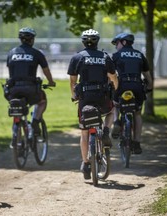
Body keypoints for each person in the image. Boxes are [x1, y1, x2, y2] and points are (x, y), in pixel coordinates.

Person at [67, 29, 118, 180]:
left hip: (85, 98)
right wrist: (115, 89)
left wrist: (74, 95)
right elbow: (113, 77)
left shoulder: (77, 57)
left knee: (84, 131)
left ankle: (86, 163)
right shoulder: (105, 57)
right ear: (97, 41)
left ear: (83, 42)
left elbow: (73, 81)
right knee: (110, 111)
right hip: (102, 96)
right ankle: (107, 130)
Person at [5, 27, 56, 134]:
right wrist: (51, 82)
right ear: (32, 39)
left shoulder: (11, 53)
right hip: (31, 89)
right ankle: (36, 121)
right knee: (42, 101)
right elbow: (46, 70)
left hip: (13, 90)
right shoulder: (36, 53)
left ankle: (16, 134)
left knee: (17, 107)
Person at [111, 32, 153, 154]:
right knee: (138, 113)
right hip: (137, 86)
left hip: (122, 85)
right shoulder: (140, 55)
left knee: (115, 103)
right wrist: (150, 86)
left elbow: (110, 74)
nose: (116, 46)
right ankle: (137, 143)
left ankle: (117, 121)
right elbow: (147, 76)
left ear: (123, 42)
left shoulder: (116, 55)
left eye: (117, 43)